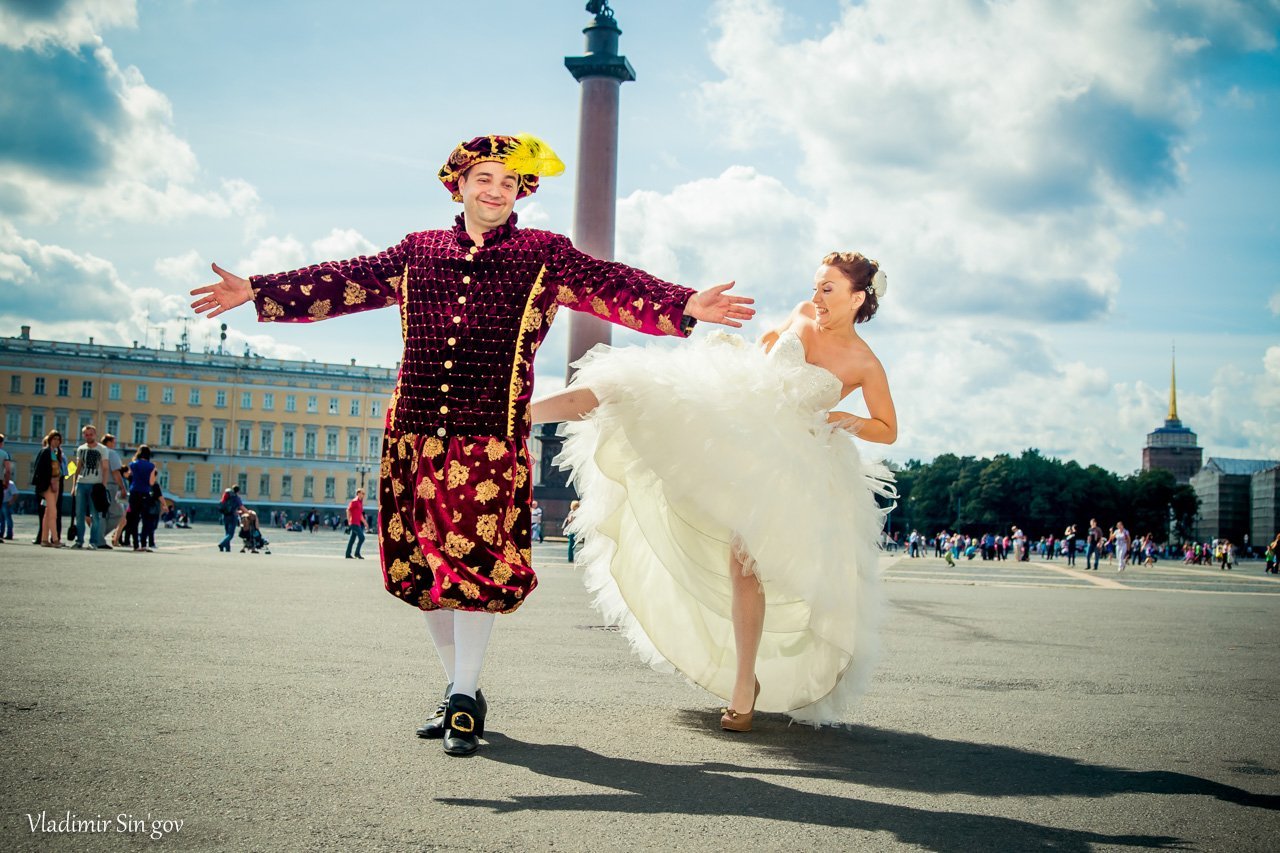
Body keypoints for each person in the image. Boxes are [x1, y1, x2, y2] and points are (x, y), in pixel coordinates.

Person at [189, 132, 753, 757]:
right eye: (484, 178)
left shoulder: (546, 255)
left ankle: (463, 699)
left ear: (521, 192)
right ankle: (459, 686)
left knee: (473, 568)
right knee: (425, 571)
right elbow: (343, 280)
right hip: (412, 434)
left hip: (488, 438)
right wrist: (259, 290)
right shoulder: (417, 251)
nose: (495, 190)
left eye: (508, 182)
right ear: (457, 184)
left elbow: (610, 284)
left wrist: (684, 305)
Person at [535, 250, 895, 730]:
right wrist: (742, 351)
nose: (816, 298)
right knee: (632, 384)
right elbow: (772, 348)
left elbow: (886, 428)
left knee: (745, 561)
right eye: (815, 287)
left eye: (827, 289)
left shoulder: (865, 363)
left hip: (789, 460)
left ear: (857, 297)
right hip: (738, 415)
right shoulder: (804, 314)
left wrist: (839, 418)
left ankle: (745, 685)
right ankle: (515, 413)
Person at [71, 424, 111, 549]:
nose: (88, 436)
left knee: (95, 515)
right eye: (86, 434)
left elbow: (105, 468)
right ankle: (79, 541)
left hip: (96, 486)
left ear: (95, 434)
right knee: (80, 514)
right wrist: (74, 486)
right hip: (81, 484)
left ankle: (93, 541)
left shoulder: (102, 449)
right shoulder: (81, 449)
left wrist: (103, 486)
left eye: (90, 434)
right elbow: (78, 468)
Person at [31, 430, 67, 547]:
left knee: (48, 513)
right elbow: (40, 469)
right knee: (53, 512)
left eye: (58, 439)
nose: (56, 441)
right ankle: (55, 539)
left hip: (55, 484)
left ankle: (44, 539)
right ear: (50, 439)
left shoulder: (56, 453)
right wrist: (50, 480)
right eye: (54, 439)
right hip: (48, 485)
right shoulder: (45, 452)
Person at [125, 445, 158, 552]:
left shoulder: (132, 464)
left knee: (134, 519)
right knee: (146, 519)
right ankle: (144, 544)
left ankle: (135, 545)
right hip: (145, 493)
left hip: (134, 492)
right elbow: (151, 482)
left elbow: (129, 476)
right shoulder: (151, 466)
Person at [217, 486, 243, 552]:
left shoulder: (227, 496)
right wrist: (248, 512)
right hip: (232, 517)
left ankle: (227, 548)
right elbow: (241, 507)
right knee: (230, 534)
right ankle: (221, 544)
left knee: (227, 533)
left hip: (225, 516)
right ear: (238, 491)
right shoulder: (236, 498)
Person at [346, 488, 367, 559]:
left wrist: (365, 523)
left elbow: (360, 514)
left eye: (364, 494)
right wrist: (349, 521)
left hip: (358, 523)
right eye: (362, 493)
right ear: (358, 493)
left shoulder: (360, 502)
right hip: (353, 523)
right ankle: (357, 553)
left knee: (352, 539)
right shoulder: (354, 501)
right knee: (362, 538)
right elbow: (348, 510)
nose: (363, 495)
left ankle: (348, 554)